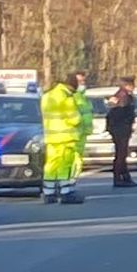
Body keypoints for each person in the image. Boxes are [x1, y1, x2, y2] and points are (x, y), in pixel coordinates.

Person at [39, 73, 84, 204]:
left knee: (51, 165)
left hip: (51, 137)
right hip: (66, 137)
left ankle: (49, 193)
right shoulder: (66, 97)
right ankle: (66, 192)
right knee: (65, 165)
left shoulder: (47, 96)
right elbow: (74, 119)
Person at [107, 76, 137, 188]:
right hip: (121, 129)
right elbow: (120, 113)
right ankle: (118, 178)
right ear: (128, 85)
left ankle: (125, 177)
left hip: (117, 128)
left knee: (121, 153)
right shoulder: (124, 97)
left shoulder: (118, 95)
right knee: (121, 154)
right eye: (132, 85)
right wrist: (128, 123)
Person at [72, 70, 93, 178]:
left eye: (83, 81)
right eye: (79, 81)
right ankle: (68, 183)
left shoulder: (83, 97)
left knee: (78, 160)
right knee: (73, 160)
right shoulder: (73, 97)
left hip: (82, 134)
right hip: (74, 134)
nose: (82, 84)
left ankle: (71, 182)